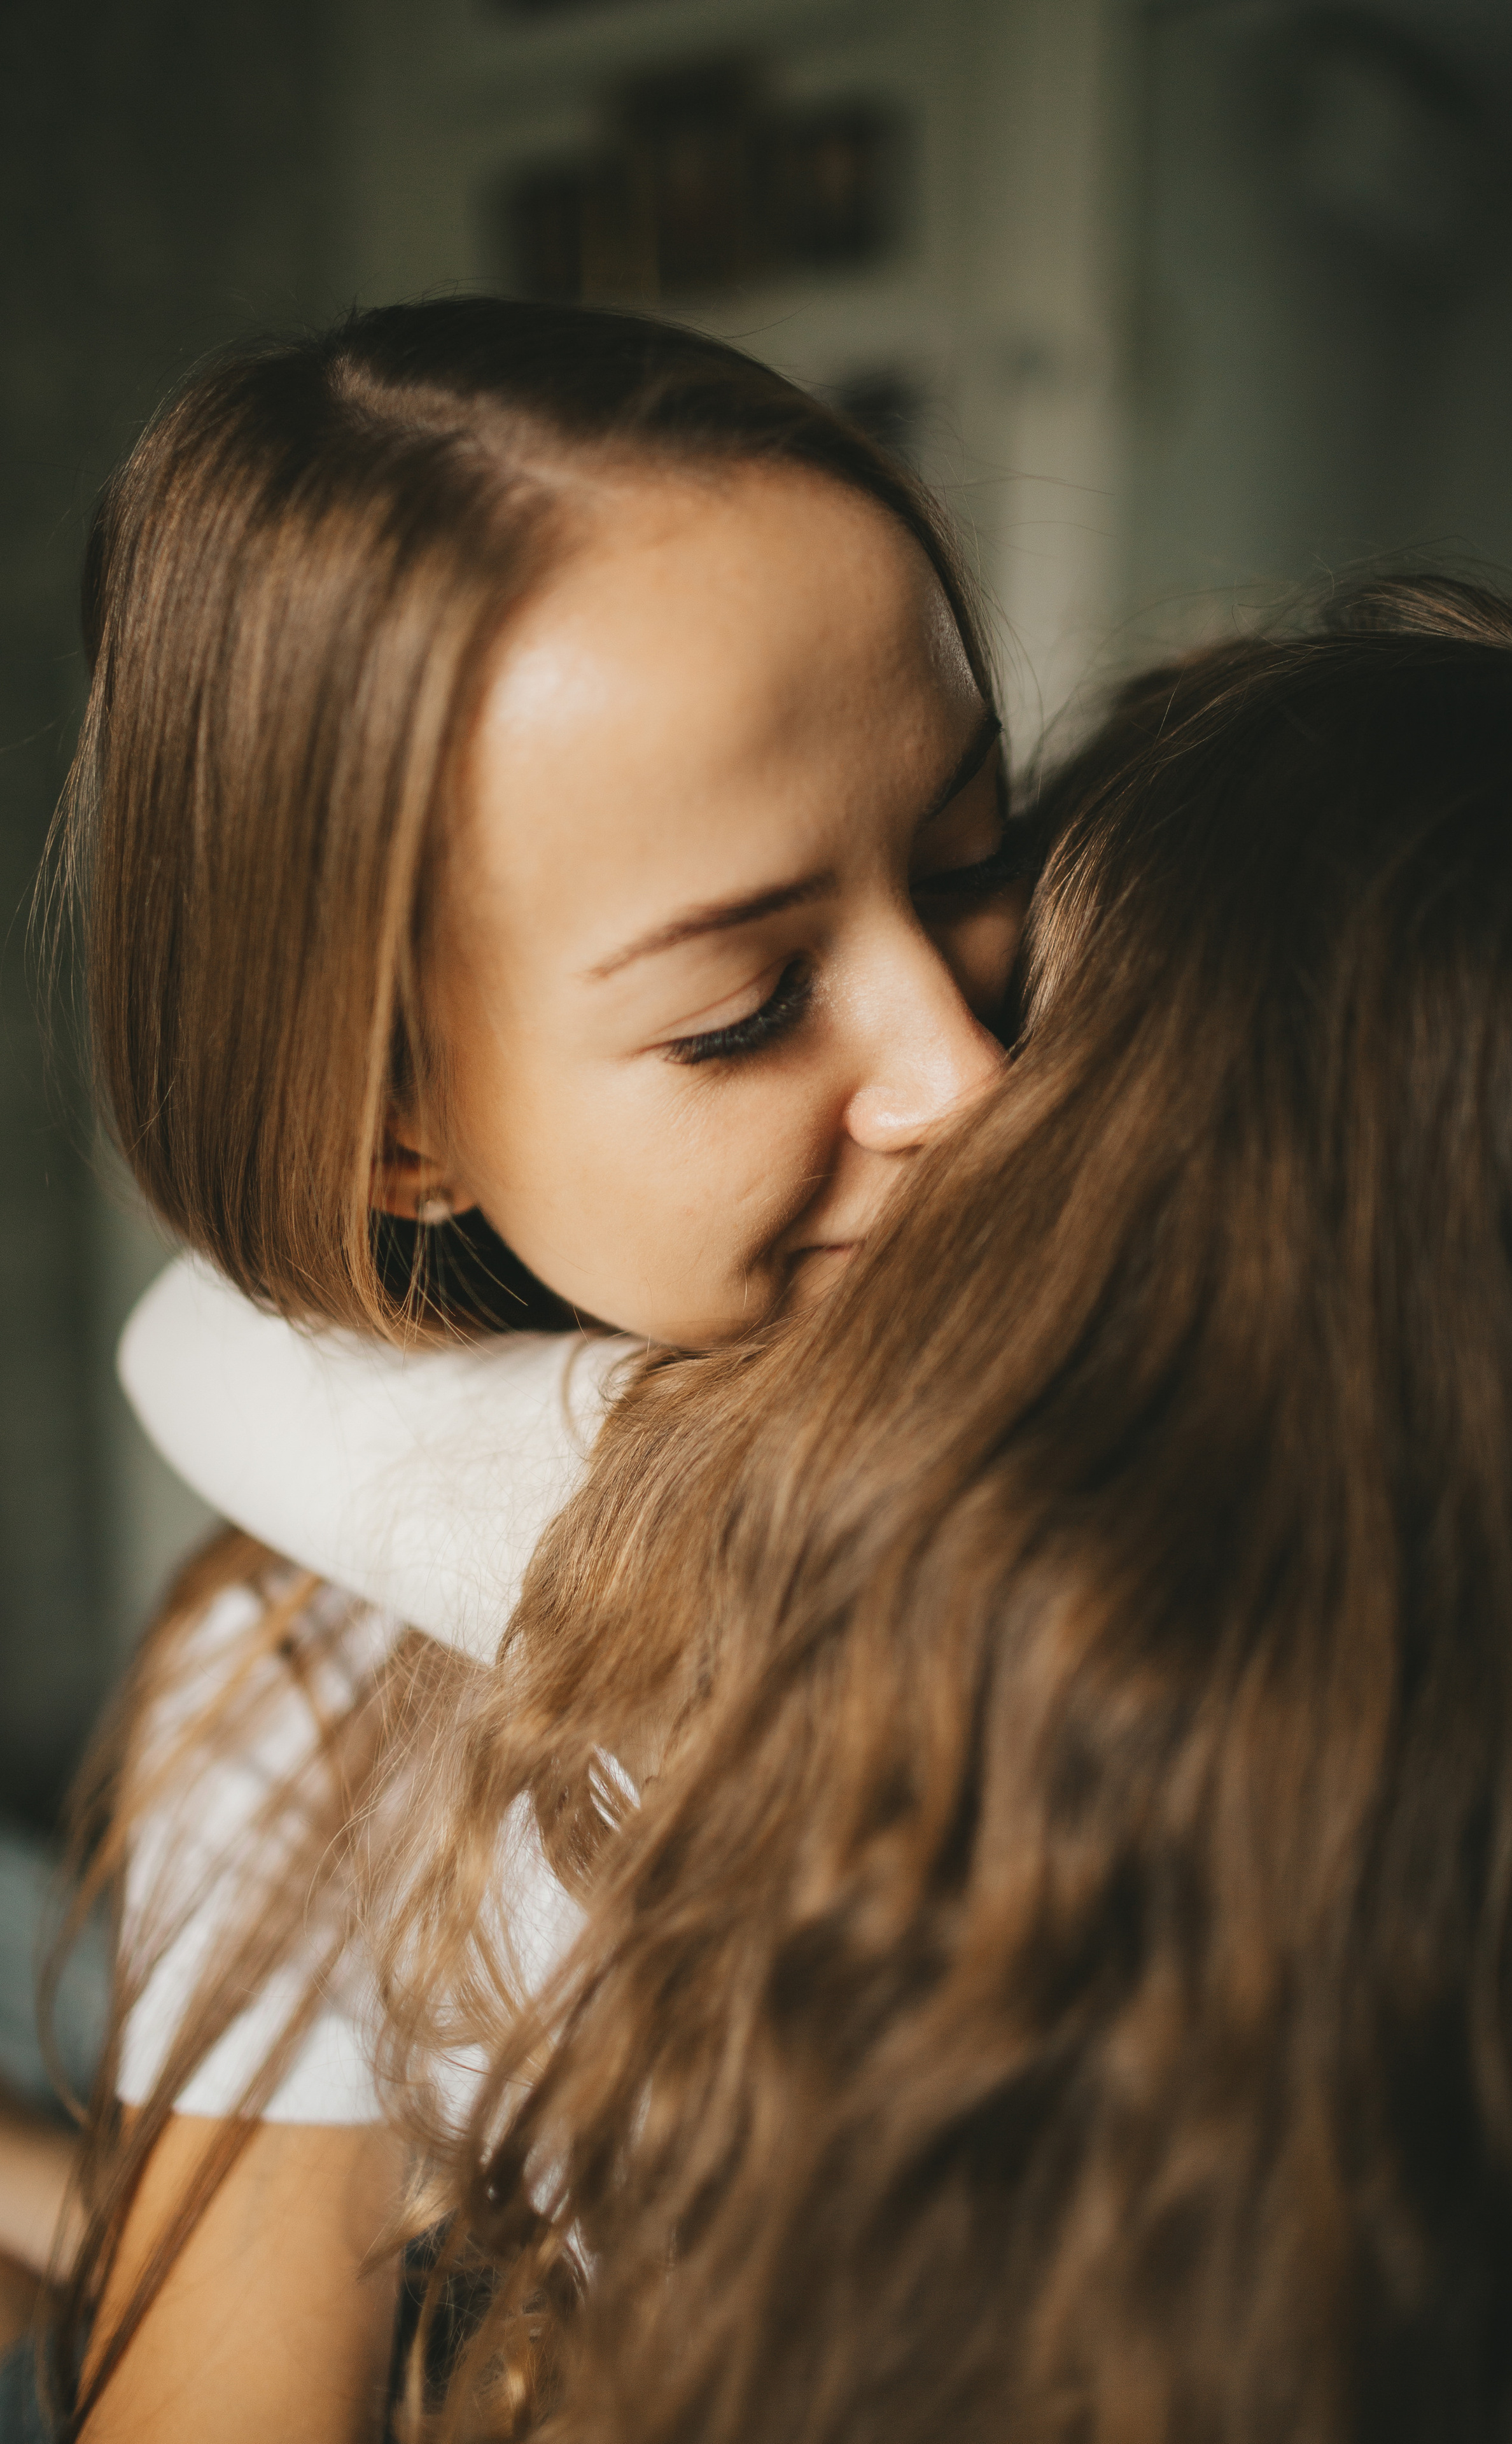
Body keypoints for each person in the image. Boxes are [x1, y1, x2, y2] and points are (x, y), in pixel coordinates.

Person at [364, 577, 1512, 2443]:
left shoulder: (768, 1586)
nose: (958, 1085)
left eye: (991, 935)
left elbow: (212, 1356)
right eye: (749, 1003)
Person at [4, 292, 1030, 2442]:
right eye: (745, 1010)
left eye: (974, 868)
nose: (965, 1071)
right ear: (401, 1122)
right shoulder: (300, 1701)